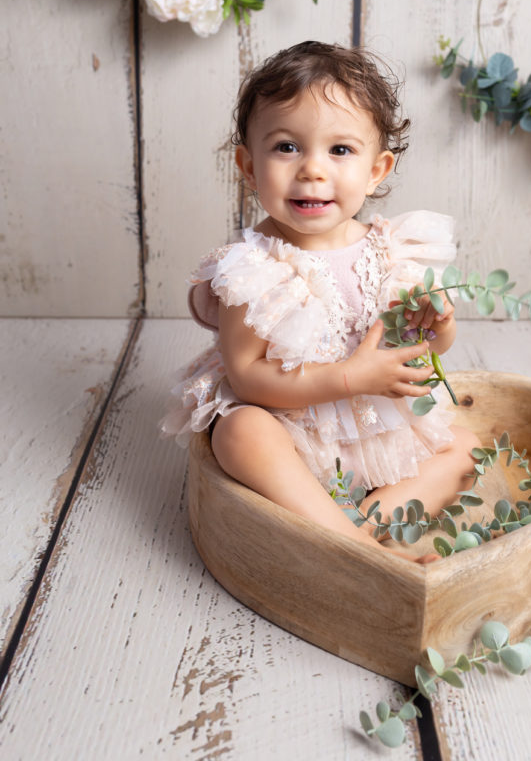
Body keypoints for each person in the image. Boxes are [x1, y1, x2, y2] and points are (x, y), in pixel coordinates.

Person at [161, 41, 480, 563]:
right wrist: (350, 378)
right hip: (290, 440)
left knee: (466, 449)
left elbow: (422, 351)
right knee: (240, 432)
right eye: (287, 147)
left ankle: (362, 526)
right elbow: (246, 377)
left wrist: (437, 325)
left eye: (340, 150)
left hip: (377, 437)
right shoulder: (254, 268)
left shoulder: (392, 249)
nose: (312, 169)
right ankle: (354, 546)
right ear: (248, 164)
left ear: (377, 171)